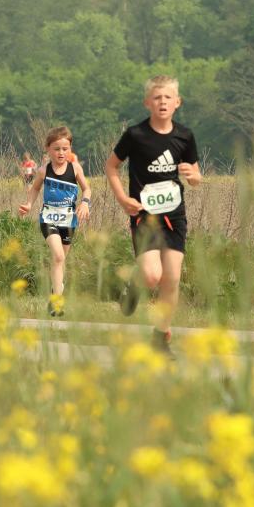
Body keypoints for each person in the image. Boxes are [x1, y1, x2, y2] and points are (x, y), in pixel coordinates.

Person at [104, 75, 202, 354]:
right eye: (157, 97)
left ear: (177, 102)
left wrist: (192, 175)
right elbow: (111, 167)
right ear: (147, 102)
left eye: (168, 97)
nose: (162, 102)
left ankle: (161, 338)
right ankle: (134, 285)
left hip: (174, 217)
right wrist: (123, 199)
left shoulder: (184, 136)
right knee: (151, 276)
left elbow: (196, 176)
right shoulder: (135, 135)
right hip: (144, 215)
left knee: (171, 279)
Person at [19, 126, 91, 317]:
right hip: (48, 218)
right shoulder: (44, 170)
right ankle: (57, 302)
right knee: (58, 256)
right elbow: (35, 188)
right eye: (56, 149)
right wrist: (29, 204)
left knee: (61, 260)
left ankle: (55, 292)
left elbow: (87, 189)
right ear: (48, 150)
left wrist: (85, 203)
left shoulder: (75, 168)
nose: (61, 153)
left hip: (69, 220)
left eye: (65, 149)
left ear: (70, 149)